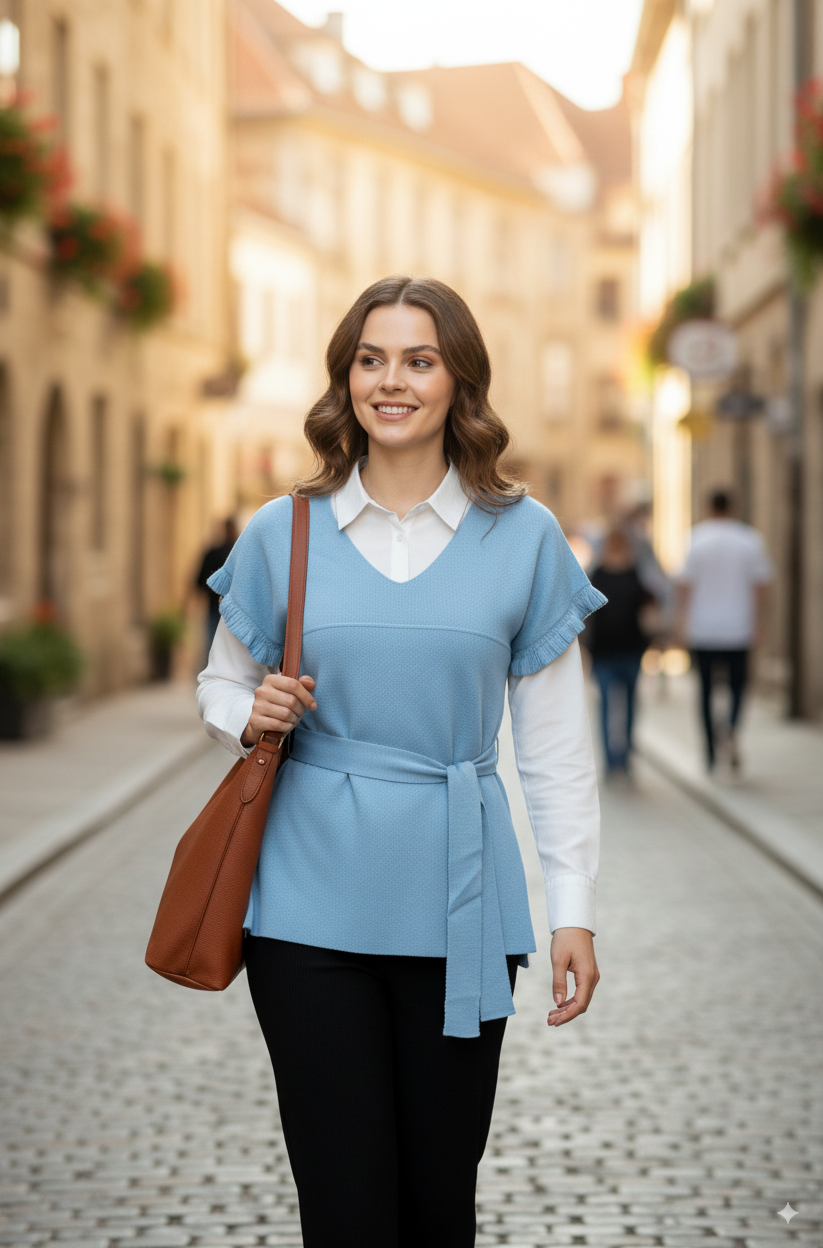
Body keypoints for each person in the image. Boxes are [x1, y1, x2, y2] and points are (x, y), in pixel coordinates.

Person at [196, 277, 605, 1248]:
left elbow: (552, 745)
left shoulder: (525, 536)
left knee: (436, 1202)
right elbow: (219, 684)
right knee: (343, 1203)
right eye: (370, 359)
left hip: (462, 904)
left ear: (458, 380)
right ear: (345, 379)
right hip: (304, 909)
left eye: (418, 360)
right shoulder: (281, 530)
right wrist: (249, 712)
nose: (392, 381)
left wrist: (572, 911)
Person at [676, 489, 772, 770]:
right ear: (732, 508)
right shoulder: (750, 539)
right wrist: (760, 623)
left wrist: (680, 624)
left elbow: (684, 587)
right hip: (738, 628)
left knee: (705, 689)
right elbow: (761, 586)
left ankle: (708, 751)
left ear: (708, 507)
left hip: (703, 628)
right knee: (738, 687)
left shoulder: (696, 539)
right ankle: (730, 727)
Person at [585, 528, 654, 776]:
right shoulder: (596, 575)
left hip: (631, 650)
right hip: (603, 653)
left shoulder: (636, 573)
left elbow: (649, 605)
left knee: (630, 706)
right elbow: (585, 616)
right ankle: (610, 760)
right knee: (605, 705)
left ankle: (624, 757)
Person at [194, 516, 237, 666]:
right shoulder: (240, 552)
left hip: (217, 609)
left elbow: (199, 582)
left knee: (215, 647)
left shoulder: (213, 552)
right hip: (231, 611)